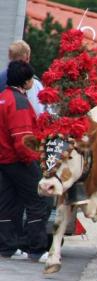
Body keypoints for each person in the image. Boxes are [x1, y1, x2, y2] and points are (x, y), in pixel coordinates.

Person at [0, 61, 51, 262]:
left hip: (3, 161)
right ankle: (37, 249)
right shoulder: (19, 101)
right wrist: (34, 161)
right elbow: (22, 139)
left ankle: (7, 246)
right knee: (39, 200)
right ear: (27, 81)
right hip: (18, 161)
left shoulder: (2, 98)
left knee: (7, 204)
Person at [0, 40, 44, 116]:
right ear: (27, 58)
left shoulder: (1, 78)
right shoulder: (35, 82)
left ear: (9, 57)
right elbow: (40, 111)